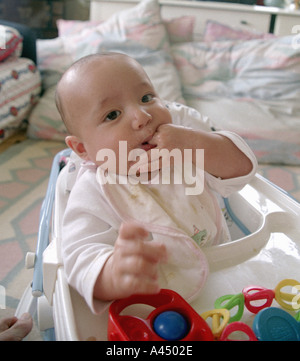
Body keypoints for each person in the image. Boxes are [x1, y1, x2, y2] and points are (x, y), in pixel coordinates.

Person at [55, 53, 257, 314]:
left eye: (146, 98)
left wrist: (195, 142)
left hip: (225, 282)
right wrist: (112, 273)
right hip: (151, 306)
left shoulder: (184, 151)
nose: (142, 116)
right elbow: (79, 256)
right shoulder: (95, 189)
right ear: (83, 148)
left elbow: (243, 169)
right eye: (113, 114)